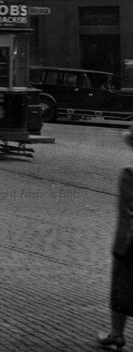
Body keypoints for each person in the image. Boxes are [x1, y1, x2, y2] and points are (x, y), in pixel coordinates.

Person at [98, 135, 133, 351]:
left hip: (131, 245)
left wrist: (120, 248)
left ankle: (117, 334)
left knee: (121, 288)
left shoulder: (129, 173)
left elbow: (127, 215)